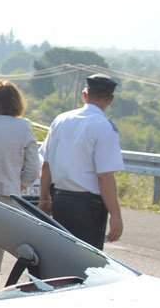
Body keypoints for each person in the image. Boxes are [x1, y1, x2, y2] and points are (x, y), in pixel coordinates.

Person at [40, 73, 125, 248]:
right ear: (110, 100)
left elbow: (46, 164)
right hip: (88, 206)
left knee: (60, 256)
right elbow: (105, 177)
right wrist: (116, 216)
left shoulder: (61, 120)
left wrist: (44, 197)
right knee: (85, 265)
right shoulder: (104, 127)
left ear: (85, 95)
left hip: (60, 200)